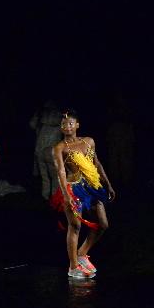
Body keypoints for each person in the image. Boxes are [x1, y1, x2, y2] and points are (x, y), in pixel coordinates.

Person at [51, 109, 115, 279]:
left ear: (77, 125)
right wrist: (66, 195)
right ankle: (73, 267)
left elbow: (96, 163)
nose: (67, 126)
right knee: (75, 226)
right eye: (63, 124)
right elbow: (61, 172)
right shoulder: (60, 148)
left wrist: (107, 184)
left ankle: (82, 253)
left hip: (91, 187)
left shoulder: (88, 142)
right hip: (73, 188)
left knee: (102, 224)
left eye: (70, 123)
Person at [29, 100, 64, 199]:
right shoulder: (42, 116)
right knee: (44, 176)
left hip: (52, 151)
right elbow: (32, 124)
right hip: (41, 150)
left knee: (53, 175)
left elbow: (57, 123)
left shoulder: (58, 116)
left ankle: (53, 197)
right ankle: (46, 197)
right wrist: (38, 114)